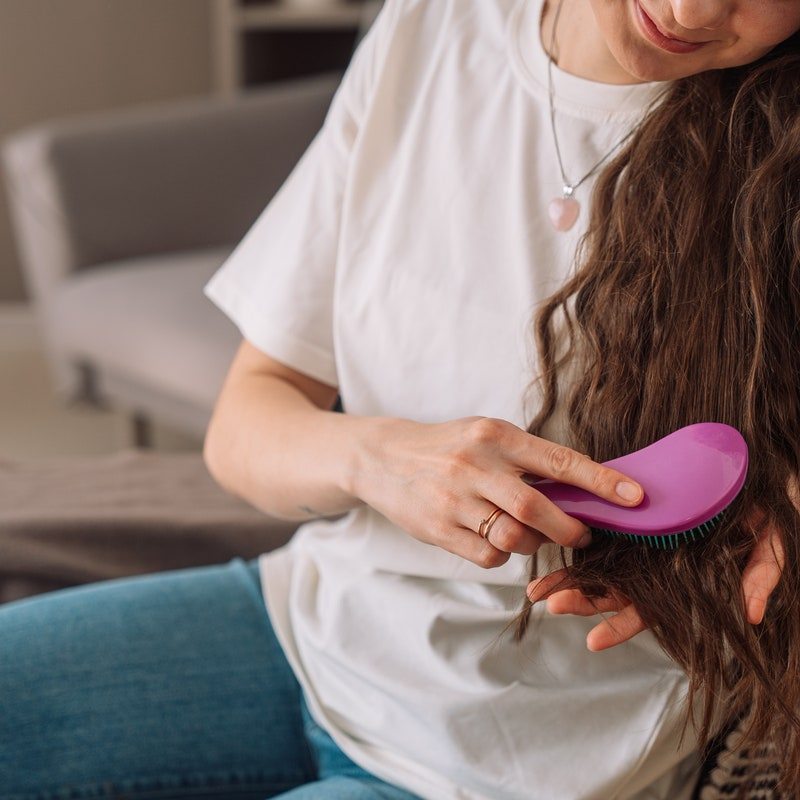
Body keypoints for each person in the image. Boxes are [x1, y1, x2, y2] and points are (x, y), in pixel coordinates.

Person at [1, 1, 798, 798]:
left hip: (513, 762)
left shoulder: (779, 161)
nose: (693, 9)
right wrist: (377, 459)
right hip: (310, 630)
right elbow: (248, 420)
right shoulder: (437, 27)